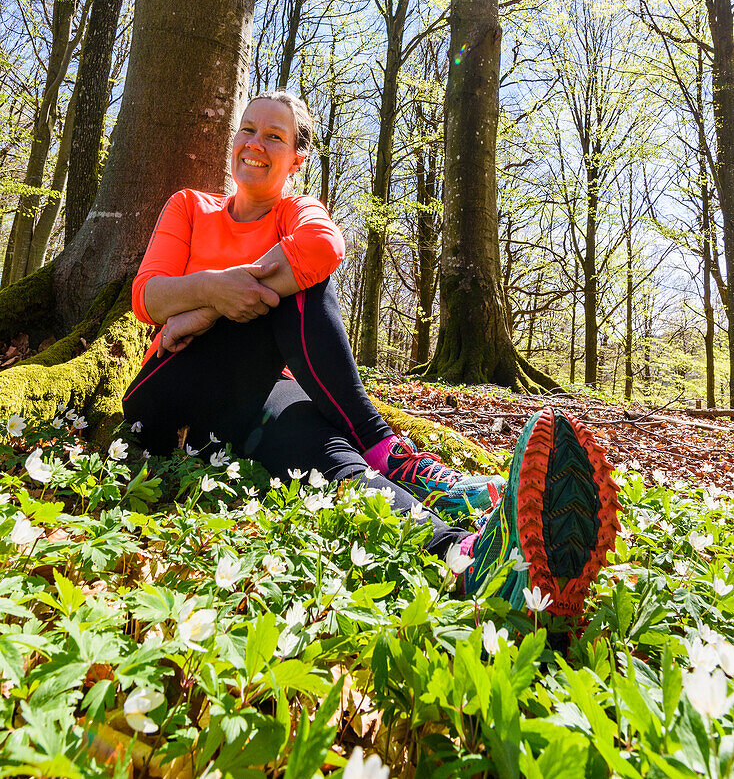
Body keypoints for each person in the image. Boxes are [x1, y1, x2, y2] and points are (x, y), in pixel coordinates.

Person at [123, 90, 620, 616]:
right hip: (172, 394)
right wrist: (217, 291)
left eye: (274, 136)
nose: (255, 144)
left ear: (298, 158)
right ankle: (388, 449)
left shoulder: (296, 210)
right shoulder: (189, 206)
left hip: (257, 398)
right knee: (295, 288)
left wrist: (200, 306)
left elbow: (323, 248)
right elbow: (146, 296)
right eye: (248, 129)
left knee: (330, 455)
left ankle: (466, 554)